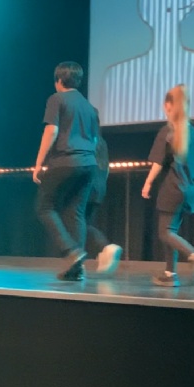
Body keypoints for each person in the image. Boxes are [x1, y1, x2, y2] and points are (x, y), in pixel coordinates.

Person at [34, 61, 98, 281]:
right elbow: (95, 139)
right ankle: (77, 269)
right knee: (75, 212)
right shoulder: (90, 107)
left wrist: (39, 163)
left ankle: (71, 251)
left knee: (44, 207)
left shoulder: (56, 99)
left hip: (65, 161)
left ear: (59, 80)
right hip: (89, 163)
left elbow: (51, 131)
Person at [141, 84, 194, 287]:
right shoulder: (192, 131)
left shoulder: (168, 131)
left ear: (169, 105)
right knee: (170, 232)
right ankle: (170, 273)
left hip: (172, 188)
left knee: (165, 232)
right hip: (188, 190)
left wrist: (147, 183)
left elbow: (157, 163)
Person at [85, 117, 122, 273]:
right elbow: (106, 168)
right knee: (83, 223)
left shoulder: (85, 140)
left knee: (76, 222)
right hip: (99, 186)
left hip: (87, 185)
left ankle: (104, 247)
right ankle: (100, 253)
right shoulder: (101, 141)